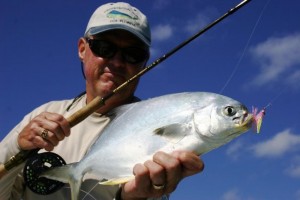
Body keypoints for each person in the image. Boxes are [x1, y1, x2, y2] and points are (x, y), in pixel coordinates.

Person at [0, 2, 204, 200]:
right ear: (82, 49)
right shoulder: (43, 115)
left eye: (133, 54)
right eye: (104, 47)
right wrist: (16, 148)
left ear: (144, 63)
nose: (117, 62)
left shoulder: (159, 127)